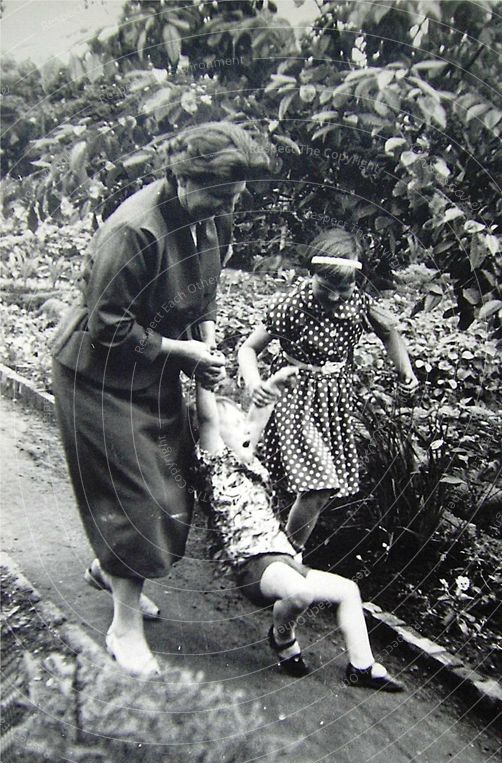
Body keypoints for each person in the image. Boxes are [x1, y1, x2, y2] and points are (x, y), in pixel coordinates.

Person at [51, 122, 271, 678]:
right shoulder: (134, 230)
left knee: (171, 483)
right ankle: (123, 627)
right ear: (182, 176)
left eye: (237, 196)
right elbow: (108, 327)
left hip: (153, 367)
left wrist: (207, 336)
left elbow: (204, 291)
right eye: (221, 194)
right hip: (98, 374)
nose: (229, 205)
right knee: (138, 495)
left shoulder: (211, 216)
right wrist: (184, 350)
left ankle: (112, 571)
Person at [194, 372, 404, 690]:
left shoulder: (247, 462)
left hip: (283, 562)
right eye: (235, 426)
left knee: (348, 591)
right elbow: (209, 418)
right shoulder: (215, 467)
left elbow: (257, 418)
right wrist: (202, 374)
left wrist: (277, 380)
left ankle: (362, 666)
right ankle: (283, 636)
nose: (245, 430)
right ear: (216, 439)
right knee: (301, 593)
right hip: (253, 566)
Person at [238, 227, 418, 555]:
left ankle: (270, 543)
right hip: (294, 395)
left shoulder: (360, 305)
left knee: (307, 485)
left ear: (356, 282)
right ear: (312, 273)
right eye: (326, 286)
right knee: (319, 485)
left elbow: (389, 332)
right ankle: (288, 556)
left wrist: (405, 370)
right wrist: (254, 383)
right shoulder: (292, 304)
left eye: (344, 288)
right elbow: (248, 349)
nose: (335, 297)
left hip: (333, 401)